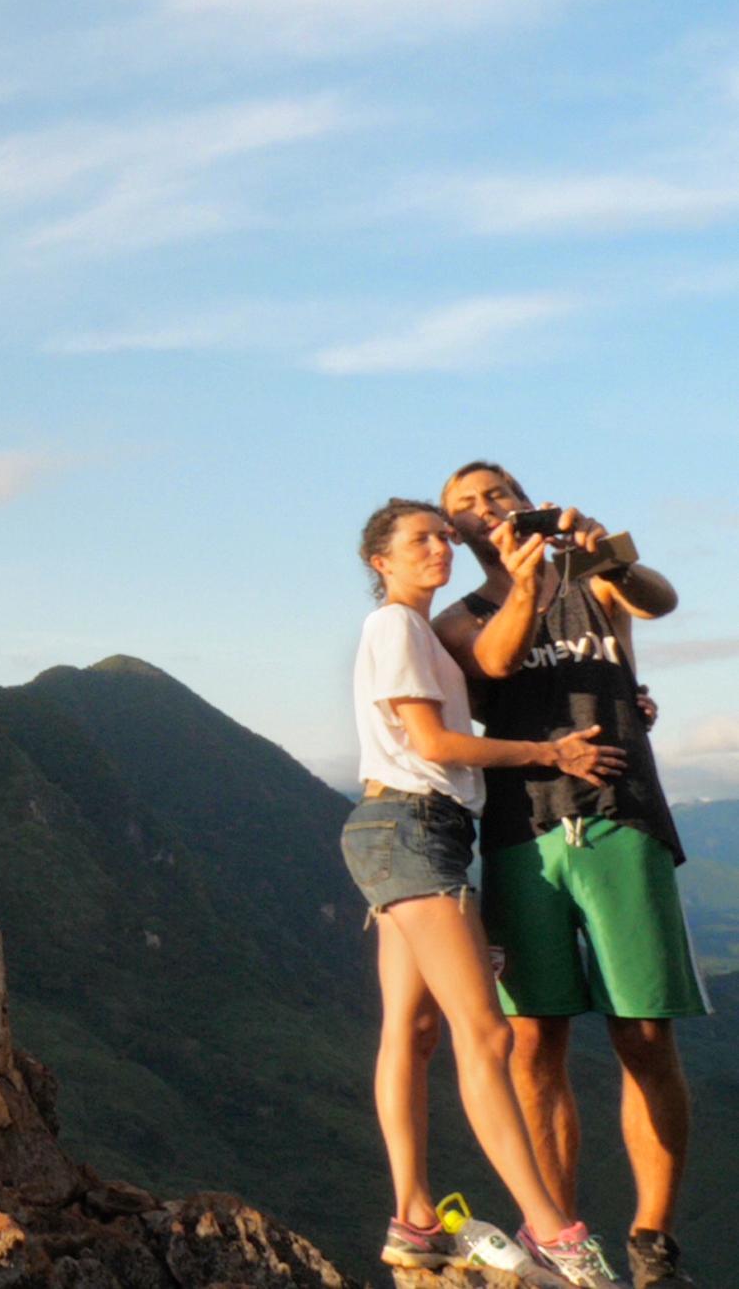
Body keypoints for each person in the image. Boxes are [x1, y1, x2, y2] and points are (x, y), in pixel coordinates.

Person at [434, 463, 705, 1289]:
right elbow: (494, 664)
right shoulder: (458, 619)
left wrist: (607, 557)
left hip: (623, 817)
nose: (489, 510)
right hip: (523, 831)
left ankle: (651, 1240)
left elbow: (659, 600)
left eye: (499, 494)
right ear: (459, 535)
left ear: (526, 499)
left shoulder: (597, 576)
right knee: (533, 1039)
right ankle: (560, 1237)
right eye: (467, 509)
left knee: (644, 1033)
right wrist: (522, 585)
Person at [344, 499, 622, 1285]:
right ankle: (552, 1231)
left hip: (401, 828)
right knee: (487, 1035)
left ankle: (415, 1219)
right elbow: (430, 743)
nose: (439, 548)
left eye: (443, 537)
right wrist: (550, 752)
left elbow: (490, 675)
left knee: (413, 1031)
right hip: (412, 826)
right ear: (381, 561)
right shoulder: (395, 627)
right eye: (419, 540)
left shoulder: (422, 634)